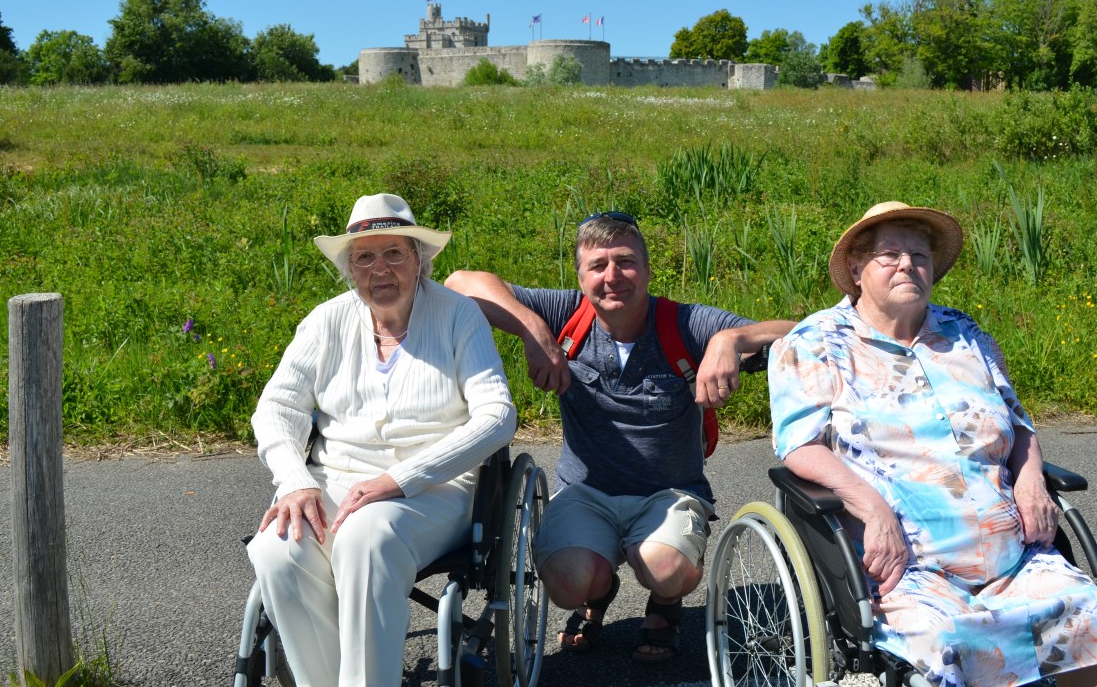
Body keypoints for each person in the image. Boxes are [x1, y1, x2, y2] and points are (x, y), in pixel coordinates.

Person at [769, 201, 1097, 687]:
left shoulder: (964, 334)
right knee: (947, 638)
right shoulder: (814, 343)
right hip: (909, 569)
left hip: (1016, 558)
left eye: (919, 255)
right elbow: (799, 445)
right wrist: (874, 509)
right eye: (890, 254)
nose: (907, 265)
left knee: (1088, 614)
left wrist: (1031, 481)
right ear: (858, 269)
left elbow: (1017, 422)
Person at [445, 211, 792, 662]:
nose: (613, 277)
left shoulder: (685, 324)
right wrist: (532, 329)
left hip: (669, 492)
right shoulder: (565, 315)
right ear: (580, 276)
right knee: (568, 585)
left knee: (665, 569)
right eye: (598, 266)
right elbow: (458, 283)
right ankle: (599, 589)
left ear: (647, 270)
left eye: (626, 261)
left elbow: (795, 333)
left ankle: (666, 602)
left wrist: (730, 339)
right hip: (587, 492)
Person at [247, 193, 517, 686]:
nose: (380, 269)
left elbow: (497, 416)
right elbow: (277, 407)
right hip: (334, 482)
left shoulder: (459, 316)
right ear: (351, 269)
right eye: (365, 257)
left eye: (394, 253)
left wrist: (400, 478)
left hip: (435, 489)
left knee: (367, 537)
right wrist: (292, 481)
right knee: (276, 549)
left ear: (420, 260)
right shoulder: (326, 321)